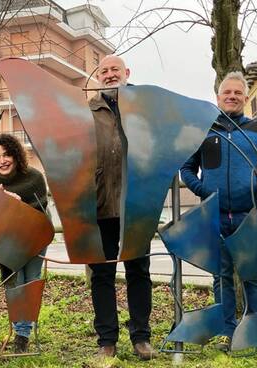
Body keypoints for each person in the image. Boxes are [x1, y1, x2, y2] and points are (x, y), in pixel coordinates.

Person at [180, 71, 257, 351]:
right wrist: (204, 191)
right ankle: (229, 333)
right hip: (215, 216)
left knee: (252, 276)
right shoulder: (204, 129)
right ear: (218, 97)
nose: (232, 97)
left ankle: (256, 333)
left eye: (237, 93)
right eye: (226, 93)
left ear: (246, 98)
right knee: (221, 276)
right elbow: (186, 168)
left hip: (250, 215)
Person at [87, 55, 154, 361]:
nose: (110, 75)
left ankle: (141, 337)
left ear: (127, 72)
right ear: (98, 77)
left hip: (136, 205)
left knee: (138, 271)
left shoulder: (143, 109)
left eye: (115, 70)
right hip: (99, 206)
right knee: (101, 275)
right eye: (105, 71)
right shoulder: (87, 111)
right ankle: (107, 340)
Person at [0, 133, 48, 354]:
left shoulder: (34, 177)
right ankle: (21, 330)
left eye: (7, 154)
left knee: (30, 282)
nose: (2, 161)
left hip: (35, 237)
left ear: (16, 155)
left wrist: (16, 204)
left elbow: (41, 206)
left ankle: (22, 335)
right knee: (15, 283)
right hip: (7, 242)